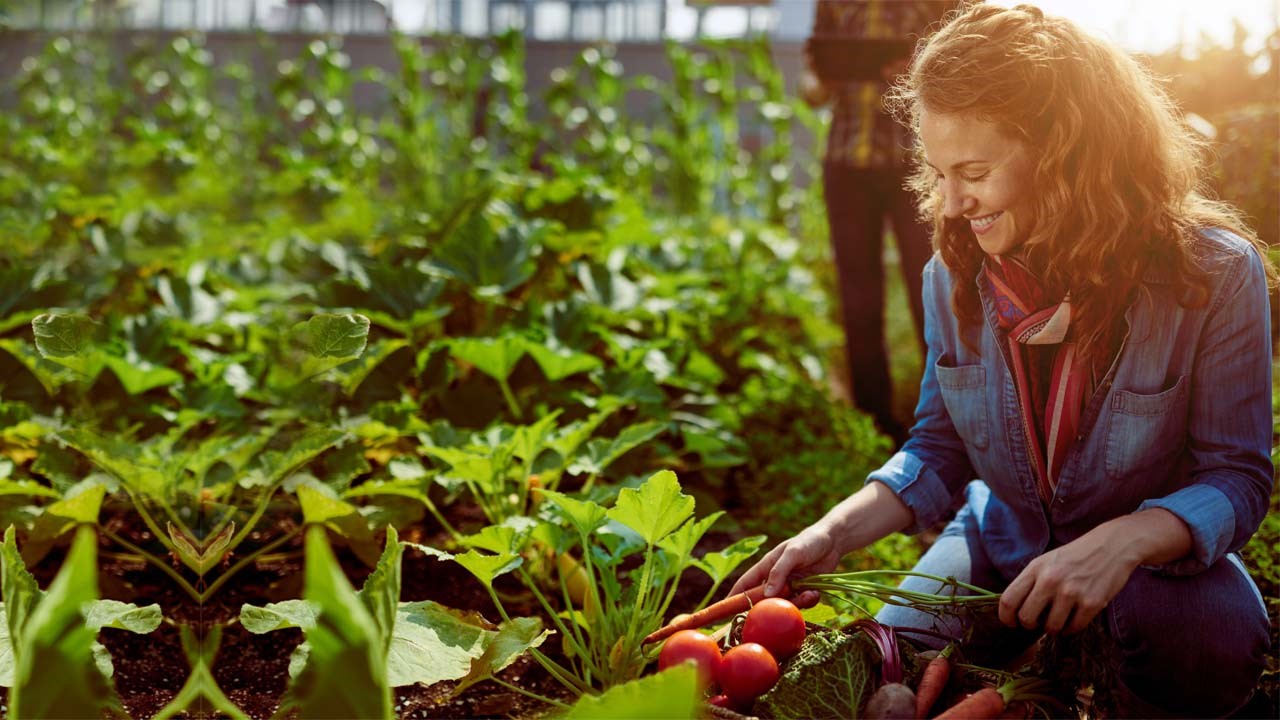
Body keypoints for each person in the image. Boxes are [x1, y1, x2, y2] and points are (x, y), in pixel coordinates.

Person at [736, 3, 1274, 716]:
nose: (952, 205)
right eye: (938, 173)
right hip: (1001, 541)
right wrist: (831, 532)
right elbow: (937, 446)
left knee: (1212, 643)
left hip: (1152, 568)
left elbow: (1236, 477)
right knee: (888, 665)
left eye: (975, 172)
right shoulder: (952, 274)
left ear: (1066, 154)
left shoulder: (1211, 275)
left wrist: (1125, 541)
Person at [802, 0, 960, 445]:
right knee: (858, 300)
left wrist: (919, 71)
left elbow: (973, 62)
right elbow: (813, 84)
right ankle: (875, 423)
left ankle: (946, 420)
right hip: (846, 163)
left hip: (918, 165)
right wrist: (823, 81)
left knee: (931, 290)